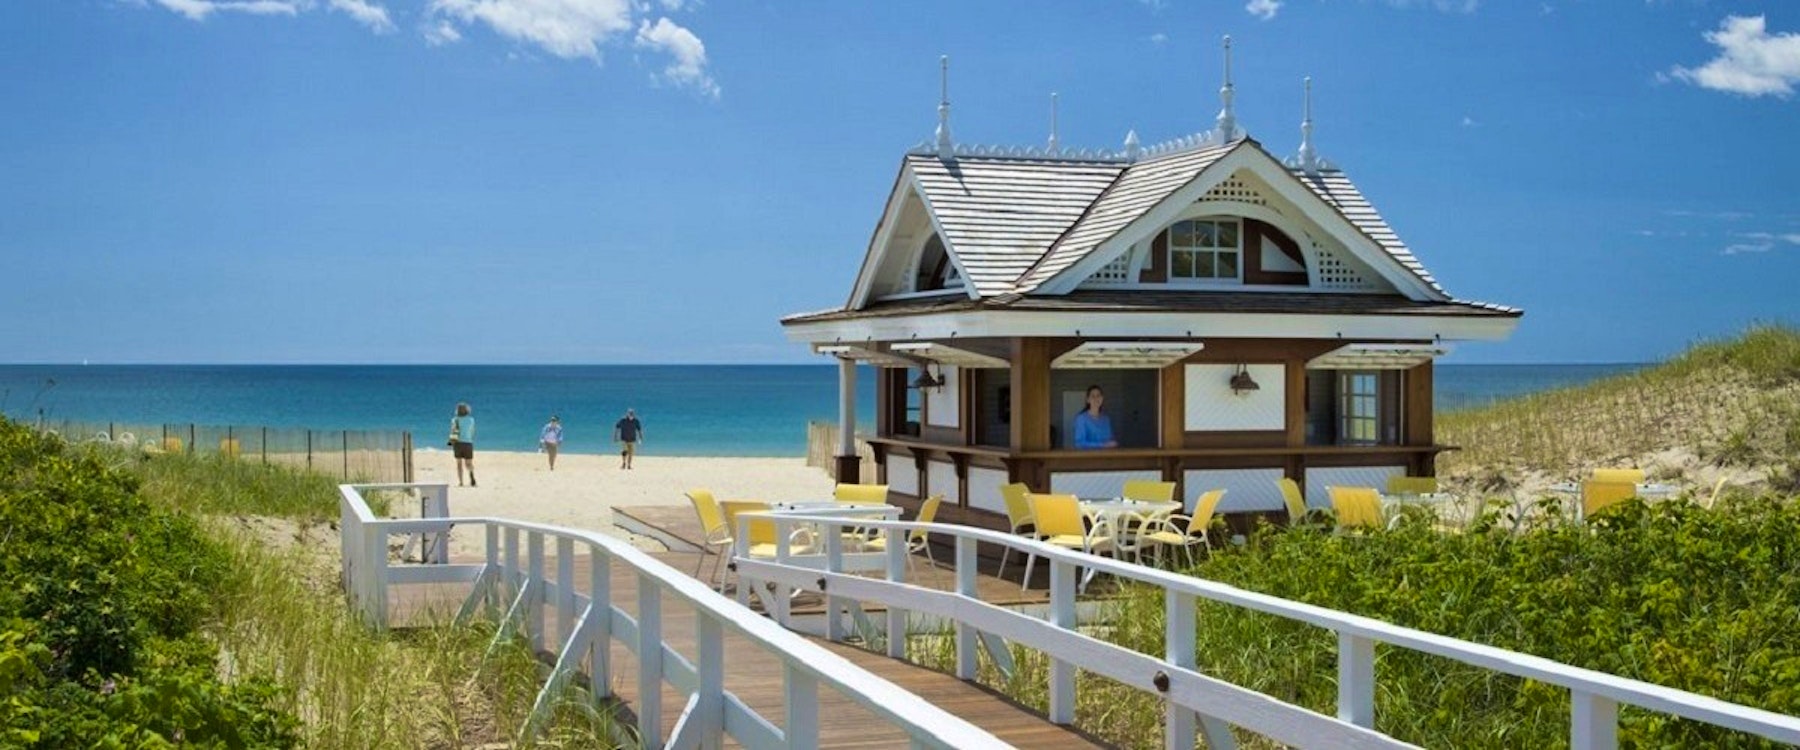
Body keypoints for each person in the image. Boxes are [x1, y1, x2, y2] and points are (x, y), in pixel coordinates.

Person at [1072, 385, 1117, 449]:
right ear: (1088, 400)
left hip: (1106, 456)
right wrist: (1102, 445)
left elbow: (1110, 439)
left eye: (1098, 396)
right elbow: (1079, 444)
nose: (1096, 398)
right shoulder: (1081, 419)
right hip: (1089, 457)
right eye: (1093, 396)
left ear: (1102, 398)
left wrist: (1112, 443)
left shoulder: (1106, 419)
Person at [451, 402, 478, 486]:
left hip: (458, 443)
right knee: (469, 463)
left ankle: (461, 482)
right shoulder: (471, 420)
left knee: (459, 463)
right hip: (468, 442)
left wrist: (451, 442)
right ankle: (471, 476)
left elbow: (453, 431)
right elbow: (472, 431)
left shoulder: (455, 420)